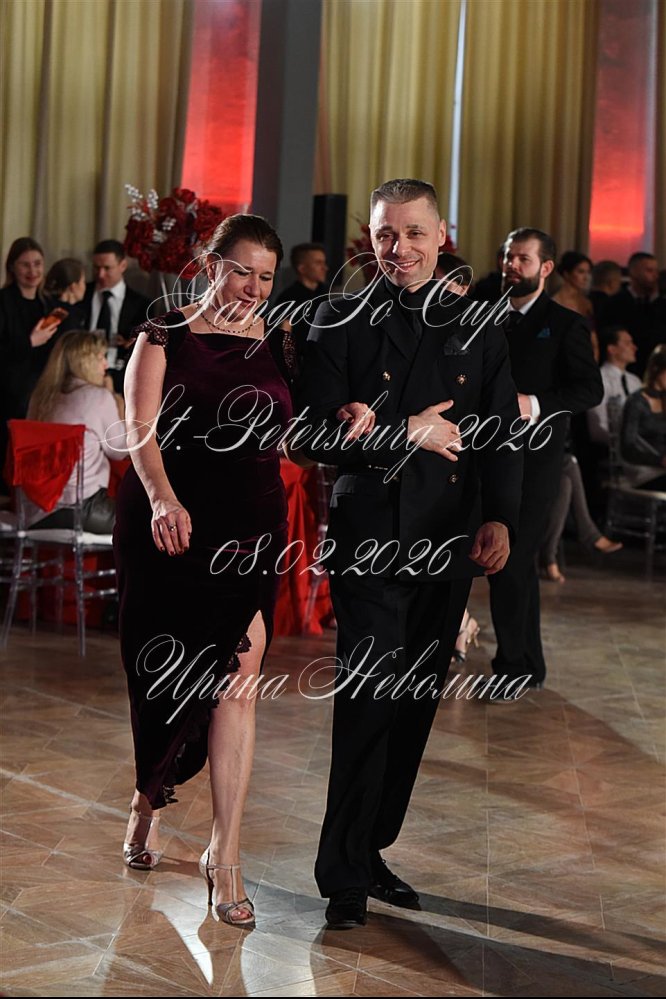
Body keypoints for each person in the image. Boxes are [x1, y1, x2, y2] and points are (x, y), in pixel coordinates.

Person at [298, 178, 523, 929]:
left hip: (448, 539)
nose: (399, 248)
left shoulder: (480, 324)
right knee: (367, 701)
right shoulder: (336, 318)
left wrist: (501, 518)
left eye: (414, 233)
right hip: (369, 540)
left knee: (414, 704)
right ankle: (343, 875)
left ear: (441, 234)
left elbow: (500, 431)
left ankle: (370, 848)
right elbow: (310, 435)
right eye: (386, 234)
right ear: (371, 238)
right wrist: (403, 430)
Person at [113, 214, 298, 930]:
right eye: (241, 270)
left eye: (265, 276)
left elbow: (302, 427)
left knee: (238, 679)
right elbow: (139, 429)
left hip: (250, 526)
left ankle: (226, 854)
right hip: (170, 523)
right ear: (211, 262)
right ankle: (146, 798)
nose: (253, 287)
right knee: (163, 682)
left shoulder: (283, 338)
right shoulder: (165, 331)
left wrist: (355, 415)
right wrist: (163, 497)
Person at [487, 228, 603, 692]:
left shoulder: (567, 324)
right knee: (503, 562)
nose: (511, 265)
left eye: (523, 259)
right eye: (507, 257)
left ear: (546, 268)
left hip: (535, 463)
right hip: (482, 456)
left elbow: (589, 390)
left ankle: (513, 668)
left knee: (513, 560)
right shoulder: (485, 315)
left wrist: (534, 404)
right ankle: (526, 662)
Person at [26, 331, 127, 531]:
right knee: (150, 521)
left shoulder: (40, 398)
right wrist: (118, 403)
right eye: (101, 357)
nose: (105, 365)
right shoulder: (98, 397)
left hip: (36, 511)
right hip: (82, 508)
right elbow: (120, 450)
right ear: (84, 362)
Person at [82, 239, 151, 391]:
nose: (101, 274)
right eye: (96, 268)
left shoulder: (141, 304)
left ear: (123, 265)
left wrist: (132, 342)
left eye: (107, 268)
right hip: (83, 371)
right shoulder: (81, 294)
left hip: (122, 375)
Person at [602, 252, 666, 377]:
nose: (655, 276)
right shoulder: (615, 303)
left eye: (656, 271)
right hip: (625, 370)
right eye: (649, 271)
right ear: (634, 272)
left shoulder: (661, 305)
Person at [621, 345, 666, 491]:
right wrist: (660, 460)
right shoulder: (636, 402)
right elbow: (628, 448)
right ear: (657, 369)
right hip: (646, 472)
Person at [273, 242, 329, 361]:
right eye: (318, 263)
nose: (325, 268)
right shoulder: (288, 298)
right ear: (302, 268)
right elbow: (284, 336)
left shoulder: (325, 294)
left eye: (324, 263)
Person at [44, 258, 88, 334]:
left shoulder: (47, 306)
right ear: (73, 287)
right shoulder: (71, 318)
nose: (85, 286)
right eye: (83, 282)